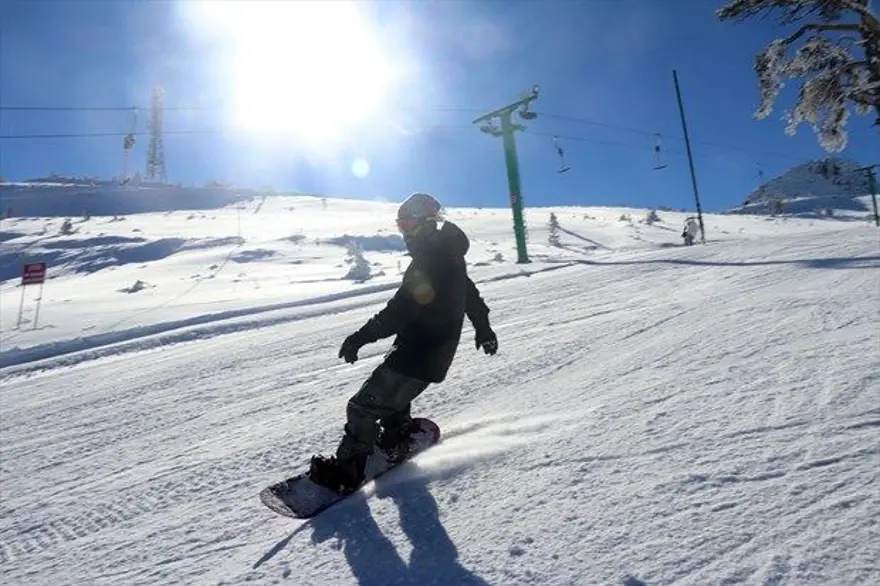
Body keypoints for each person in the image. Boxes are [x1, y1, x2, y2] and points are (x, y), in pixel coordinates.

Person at [308, 193, 498, 493]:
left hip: (422, 352)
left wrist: (361, 337)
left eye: (408, 224)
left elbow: (401, 309)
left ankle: (347, 475)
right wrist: (483, 328)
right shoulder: (446, 255)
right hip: (421, 350)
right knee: (391, 397)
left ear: (426, 224)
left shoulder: (433, 259)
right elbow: (470, 294)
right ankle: (397, 439)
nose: (404, 232)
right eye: (400, 225)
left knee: (362, 408)